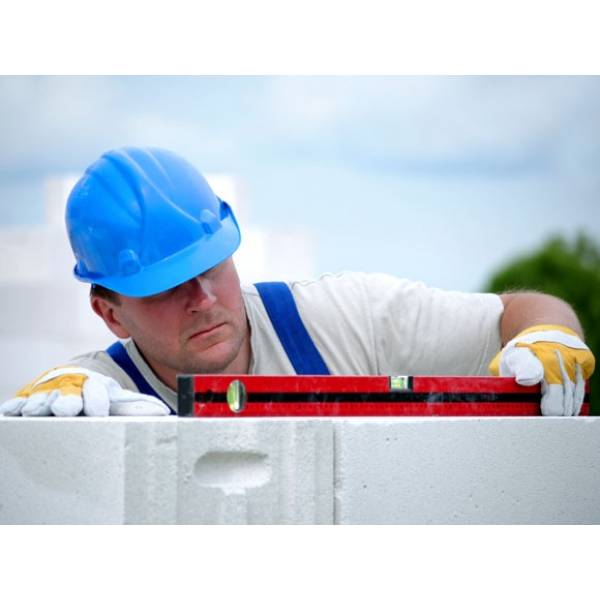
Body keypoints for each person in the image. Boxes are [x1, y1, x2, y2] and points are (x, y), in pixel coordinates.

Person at [0, 147, 595, 418]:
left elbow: (519, 313)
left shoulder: (342, 317)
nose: (202, 300)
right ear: (110, 314)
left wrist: (548, 334)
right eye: (164, 287)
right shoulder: (93, 397)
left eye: (211, 267)